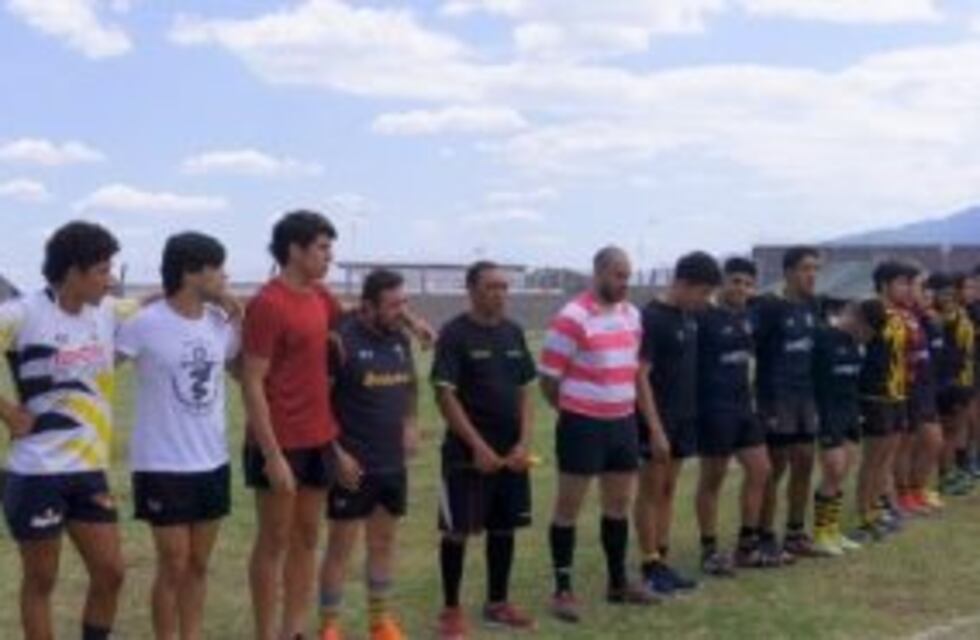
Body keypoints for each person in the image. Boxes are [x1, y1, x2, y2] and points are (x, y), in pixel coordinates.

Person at [0, 221, 129, 640]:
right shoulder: (23, 313)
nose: (109, 280)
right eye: (102, 271)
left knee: (111, 573)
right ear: (73, 272)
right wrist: (6, 411)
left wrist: (220, 296)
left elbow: (156, 303)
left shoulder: (106, 312)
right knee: (41, 581)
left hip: (88, 470)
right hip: (36, 471)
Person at [241, 210, 360, 640]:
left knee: (308, 538)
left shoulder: (319, 295)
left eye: (330, 248)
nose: (330, 257)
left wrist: (404, 319)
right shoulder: (267, 304)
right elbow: (251, 381)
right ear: (295, 250)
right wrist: (272, 455)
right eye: (323, 248)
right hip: (279, 442)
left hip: (318, 437)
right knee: (273, 540)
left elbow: (347, 317)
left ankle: (295, 630)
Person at [117, 232, 241, 640]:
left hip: (212, 460)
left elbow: (240, 369)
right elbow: (98, 367)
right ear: (191, 272)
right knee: (173, 562)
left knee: (199, 565)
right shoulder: (143, 324)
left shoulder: (219, 323)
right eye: (217, 268)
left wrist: (238, 314)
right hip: (161, 464)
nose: (225, 275)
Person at [541, 246, 658, 624]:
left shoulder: (632, 315)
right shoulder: (572, 317)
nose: (624, 283)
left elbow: (633, 370)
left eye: (628, 276)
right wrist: (573, 410)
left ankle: (618, 582)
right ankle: (562, 589)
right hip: (582, 425)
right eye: (617, 275)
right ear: (598, 273)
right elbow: (548, 378)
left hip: (622, 422)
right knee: (568, 508)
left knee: (618, 505)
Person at [431, 261, 539, 640]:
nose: (500, 293)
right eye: (492, 286)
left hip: (512, 455)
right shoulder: (454, 334)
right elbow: (445, 396)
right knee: (457, 531)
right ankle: (450, 610)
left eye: (504, 287)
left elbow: (527, 390)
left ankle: (497, 603)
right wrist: (477, 446)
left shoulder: (514, 333)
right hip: (466, 455)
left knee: (504, 528)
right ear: (471, 290)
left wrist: (525, 442)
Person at [318, 269, 419, 640]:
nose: (401, 311)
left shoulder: (399, 340)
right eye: (393, 305)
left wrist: (409, 422)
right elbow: (320, 403)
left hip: (391, 464)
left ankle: (380, 622)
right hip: (352, 464)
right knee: (341, 547)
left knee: (382, 543)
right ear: (367, 306)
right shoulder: (341, 340)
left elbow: (410, 387)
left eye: (403, 303)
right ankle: (330, 625)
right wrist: (336, 453)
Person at [633, 251, 720, 594]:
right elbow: (639, 376)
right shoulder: (651, 318)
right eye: (702, 293)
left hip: (685, 419)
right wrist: (654, 428)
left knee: (668, 490)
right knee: (651, 491)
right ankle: (649, 563)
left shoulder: (689, 317)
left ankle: (662, 559)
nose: (706, 300)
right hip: (657, 421)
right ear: (682, 284)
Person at [692, 257, 771, 574]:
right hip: (713, 410)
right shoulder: (703, 316)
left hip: (743, 408)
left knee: (760, 470)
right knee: (713, 479)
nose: (741, 288)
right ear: (723, 283)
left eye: (748, 283)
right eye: (735, 281)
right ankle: (709, 550)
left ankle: (746, 546)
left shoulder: (749, 317)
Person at [751, 246, 822, 563]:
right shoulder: (769, 306)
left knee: (806, 461)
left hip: (805, 395)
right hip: (775, 397)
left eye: (815, 269)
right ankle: (765, 536)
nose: (812, 275)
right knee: (775, 468)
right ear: (790, 272)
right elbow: (753, 347)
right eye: (806, 268)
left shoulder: (812, 304)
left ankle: (795, 533)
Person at [854, 262, 912, 541]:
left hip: (897, 395)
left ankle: (877, 509)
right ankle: (864, 517)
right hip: (875, 395)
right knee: (872, 460)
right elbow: (856, 343)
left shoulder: (899, 314)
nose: (908, 288)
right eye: (902, 282)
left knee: (886, 458)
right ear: (884, 284)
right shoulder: (871, 309)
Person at [811, 298, 869, 555]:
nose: (866, 335)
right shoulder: (823, 338)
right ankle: (821, 533)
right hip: (827, 413)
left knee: (844, 470)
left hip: (849, 413)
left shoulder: (854, 345)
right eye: (865, 328)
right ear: (853, 316)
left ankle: (833, 530)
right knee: (832, 469)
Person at [929, 273, 975, 497]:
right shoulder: (941, 318)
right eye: (944, 293)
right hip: (949, 382)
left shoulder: (961, 313)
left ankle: (953, 470)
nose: (948, 297)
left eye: (950, 293)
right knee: (948, 429)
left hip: (965, 378)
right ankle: (944, 474)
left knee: (957, 429)